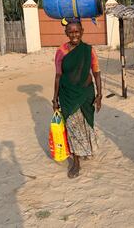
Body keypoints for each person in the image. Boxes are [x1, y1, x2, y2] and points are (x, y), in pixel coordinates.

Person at [52, 18, 102, 178]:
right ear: (66, 33)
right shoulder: (61, 51)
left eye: (77, 31)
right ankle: (76, 162)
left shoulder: (89, 50)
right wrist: (55, 99)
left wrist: (100, 94)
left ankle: (86, 150)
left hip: (86, 93)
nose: (74, 35)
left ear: (82, 32)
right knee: (72, 127)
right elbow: (58, 76)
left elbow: (96, 72)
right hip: (67, 95)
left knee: (87, 122)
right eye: (71, 32)